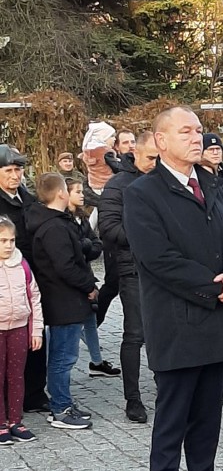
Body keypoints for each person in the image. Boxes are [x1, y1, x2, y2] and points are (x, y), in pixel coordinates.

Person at [123, 106, 223, 471]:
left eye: (198, 130)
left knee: (207, 417)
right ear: (160, 141)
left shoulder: (212, 184)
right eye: (185, 131)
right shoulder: (143, 194)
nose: (196, 138)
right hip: (177, 322)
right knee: (173, 417)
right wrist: (216, 288)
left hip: (217, 319)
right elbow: (158, 259)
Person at [27, 173, 97, 429]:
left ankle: (63, 400)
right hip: (63, 299)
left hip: (66, 298)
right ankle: (60, 408)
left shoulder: (56, 222)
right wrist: (88, 285)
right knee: (62, 357)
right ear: (60, 193)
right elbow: (65, 266)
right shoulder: (54, 227)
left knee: (64, 355)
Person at [99, 131, 159, 424]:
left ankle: (168, 388)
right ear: (135, 153)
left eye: (159, 158)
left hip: (164, 270)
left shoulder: (164, 181)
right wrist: (145, 239)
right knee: (135, 334)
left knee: (164, 331)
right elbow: (108, 230)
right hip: (132, 269)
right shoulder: (118, 185)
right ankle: (133, 399)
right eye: (150, 158)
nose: (155, 163)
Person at [0, 144, 49, 413]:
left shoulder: (27, 198)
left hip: (32, 276)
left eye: (18, 170)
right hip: (6, 279)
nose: (15, 175)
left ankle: (33, 393)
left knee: (36, 337)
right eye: (8, 170)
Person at [65, 178, 121, 378]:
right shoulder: (63, 220)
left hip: (87, 272)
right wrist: (85, 247)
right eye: (78, 191)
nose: (82, 195)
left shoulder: (82, 217)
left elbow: (95, 243)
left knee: (90, 318)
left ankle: (96, 362)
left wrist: (87, 248)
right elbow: (71, 250)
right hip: (72, 279)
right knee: (64, 326)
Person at [0, 216, 43, 446]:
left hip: (19, 326)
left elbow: (34, 297)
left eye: (11, 240)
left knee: (16, 375)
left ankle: (15, 420)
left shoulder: (22, 265)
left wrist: (36, 331)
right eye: (2, 241)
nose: (8, 245)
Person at [81, 121, 120, 326]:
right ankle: (93, 323)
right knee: (113, 284)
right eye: (113, 137)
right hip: (104, 192)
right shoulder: (105, 152)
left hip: (100, 190)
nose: (114, 140)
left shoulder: (91, 150)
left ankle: (94, 323)